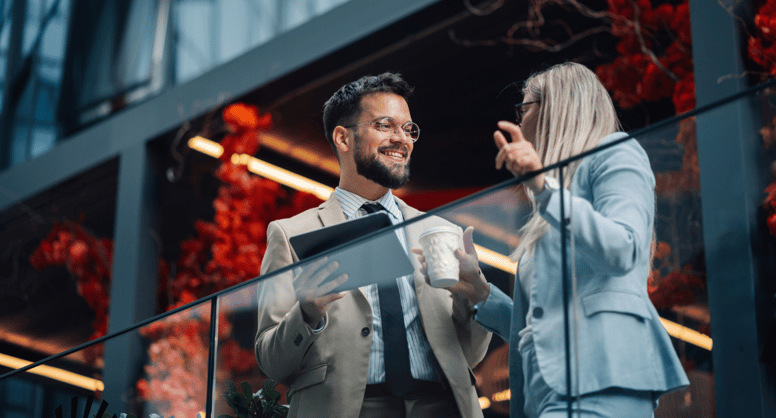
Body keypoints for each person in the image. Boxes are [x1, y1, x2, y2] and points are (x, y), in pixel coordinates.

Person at [414, 62, 689, 417]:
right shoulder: (553, 200)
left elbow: (625, 249)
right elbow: (540, 325)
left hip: (602, 382)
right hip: (551, 393)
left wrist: (544, 187)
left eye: (524, 108)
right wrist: (478, 290)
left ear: (555, 109)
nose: (520, 121)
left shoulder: (614, 153)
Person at [254, 72, 491, 418]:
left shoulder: (439, 230)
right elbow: (271, 362)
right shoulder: (290, 234)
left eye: (409, 129)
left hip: (442, 407)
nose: (402, 139)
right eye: (385, 125)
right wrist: (307, 314)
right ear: (343, 138)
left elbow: (469, 355)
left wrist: (473, 301)